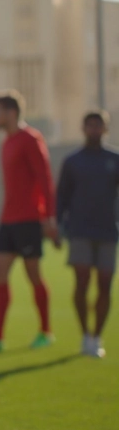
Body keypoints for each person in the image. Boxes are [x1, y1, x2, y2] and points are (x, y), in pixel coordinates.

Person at [0, 90, 59, 355]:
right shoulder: (7, 142)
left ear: (11, 112)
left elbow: (45, 179)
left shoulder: (30, 139)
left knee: (33, 274)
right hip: (8, 219)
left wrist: (49, 219)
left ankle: (46, 331)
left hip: (29, 220)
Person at [57, 111, 119, 358]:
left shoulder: (114, 159)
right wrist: (57, 225)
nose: (94, 130)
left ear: (105, 129)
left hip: (107, 231)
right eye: (90, 125)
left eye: (98, 126)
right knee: (82, 282)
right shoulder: (73, 161)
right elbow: (61, 196)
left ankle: (97, 335)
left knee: (105, 284)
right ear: (83, 128)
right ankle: (84, 333)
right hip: (80, 230)